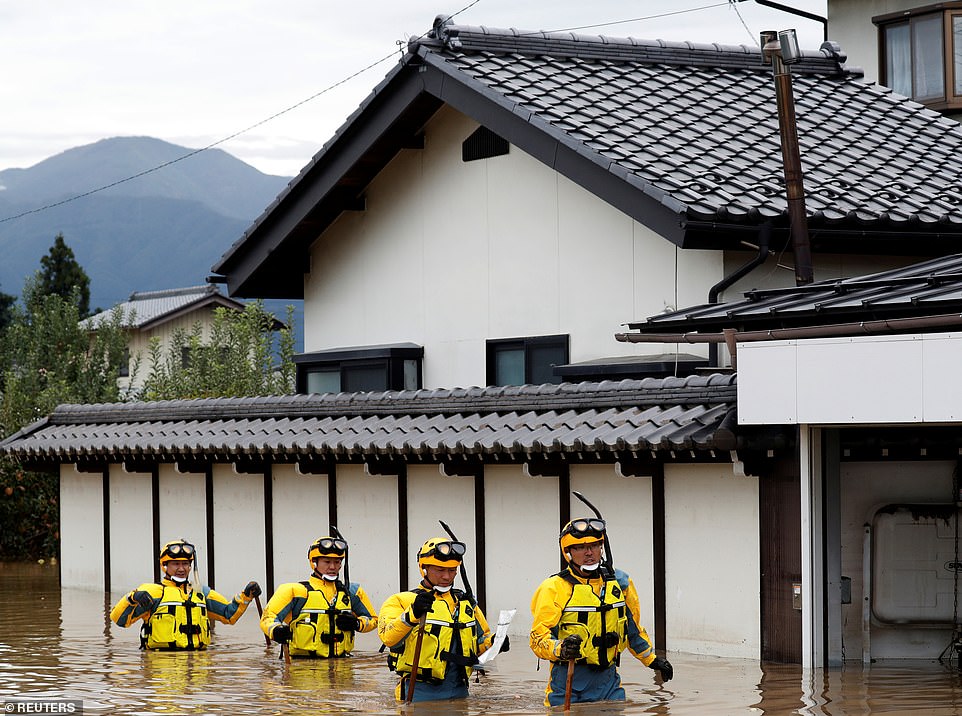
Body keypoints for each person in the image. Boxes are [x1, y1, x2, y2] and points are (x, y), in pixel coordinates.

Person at [529, 517, 673, 706]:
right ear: (568, 552)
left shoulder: (620, 584)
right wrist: (561, 649)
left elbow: (632, 631)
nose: (589, 553)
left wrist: (653, 660)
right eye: (580, 547)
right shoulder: (554, 588)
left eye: (594, 546)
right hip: (568, 685)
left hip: (608, 683)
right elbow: (537, 638)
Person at [378, 536, 507, 702]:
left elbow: (479, 644)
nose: (447, 576)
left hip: (460, 692)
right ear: (424, 568)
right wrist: (412, 615)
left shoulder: (466, 603)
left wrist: (495, 643)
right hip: (418, 693)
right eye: (440, 570)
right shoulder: (402, 600)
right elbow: (388, 638)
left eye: (452, 570)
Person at [110, 538, 261, 650]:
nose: (181, 569)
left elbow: (229, 615)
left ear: (190, 566)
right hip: (161, 667)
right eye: (176, 564)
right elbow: (119, 620)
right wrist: (132, 598)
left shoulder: (201, 593)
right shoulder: (153, 593)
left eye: (185, 564)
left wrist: (246, 596)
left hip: (197, 668)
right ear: (165, 566)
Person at [260, 535, 378, 657]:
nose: (332, 567)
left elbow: (373, 620)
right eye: (327, 562)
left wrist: (357, 624)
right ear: (314, 562)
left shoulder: (352, 592)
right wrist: (276, 630)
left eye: (337, 562)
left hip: (342, 667)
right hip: (302, 668)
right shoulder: (295, 591)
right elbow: (268, 617)